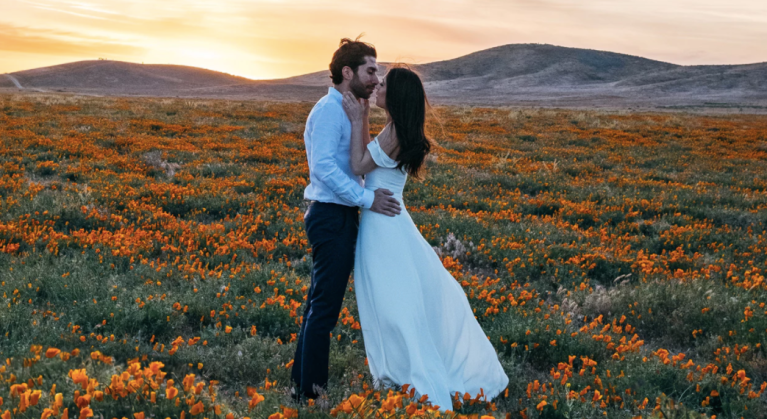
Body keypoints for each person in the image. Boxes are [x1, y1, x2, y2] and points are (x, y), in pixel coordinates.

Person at [340, 66, 509, 411]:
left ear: (397, 95)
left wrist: (358, 119)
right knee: (394, 302)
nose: (377, 86)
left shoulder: (394, 133)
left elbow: (358, 166)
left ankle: (410, 375)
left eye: (384, 84)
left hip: (383, 226)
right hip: (389, 220)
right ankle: (396, 372)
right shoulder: (396, 129)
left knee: (392, 305)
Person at [290, 37, 401, 401]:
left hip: (338, 214)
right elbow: (323, 168)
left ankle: (301, 387)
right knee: (324, 309)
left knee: (317, 305)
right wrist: (367, 199)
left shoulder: (349, 109)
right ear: (348, 71)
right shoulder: (328, 110)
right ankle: (311, 394)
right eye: (371, 70)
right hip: (330, 215)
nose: (376, 77)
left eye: (378, 72)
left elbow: (358, 159)